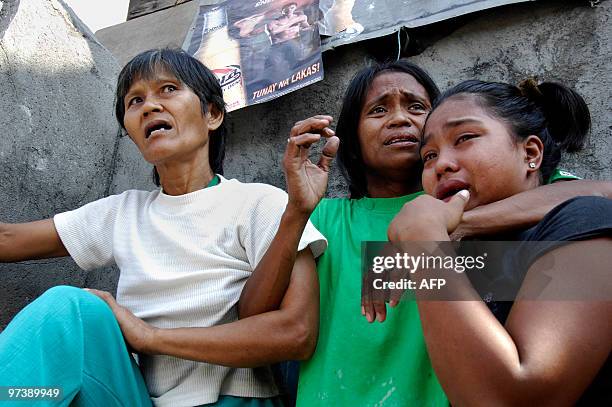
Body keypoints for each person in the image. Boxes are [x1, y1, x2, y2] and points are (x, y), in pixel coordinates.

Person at [240, 60, 612, 406]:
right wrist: (298, 210)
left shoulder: (469, 203)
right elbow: (255, 316)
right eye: (378, 110)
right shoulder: (329, 216)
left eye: (417, 107)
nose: (400, 119)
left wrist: (435, 230)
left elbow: (593, 201)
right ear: (351, 135)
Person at [0, 48, 338, 407]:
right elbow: (7, 239)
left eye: (168, 90)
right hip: (140, 400)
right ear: (131, 134)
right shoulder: (123, 212)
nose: (149, 106)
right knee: (67, 311)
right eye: (135, 101)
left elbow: (296, 333)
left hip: (236, 400)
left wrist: (149, 337)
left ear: (212, 114)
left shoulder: (261, 202)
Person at [387, 78, 612, 405]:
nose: (441, 165)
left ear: (530, 152)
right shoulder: (463, 257)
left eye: (465, 138)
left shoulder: (584, 220)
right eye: (428, 155)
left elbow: (511, 399)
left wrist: (425, 243)